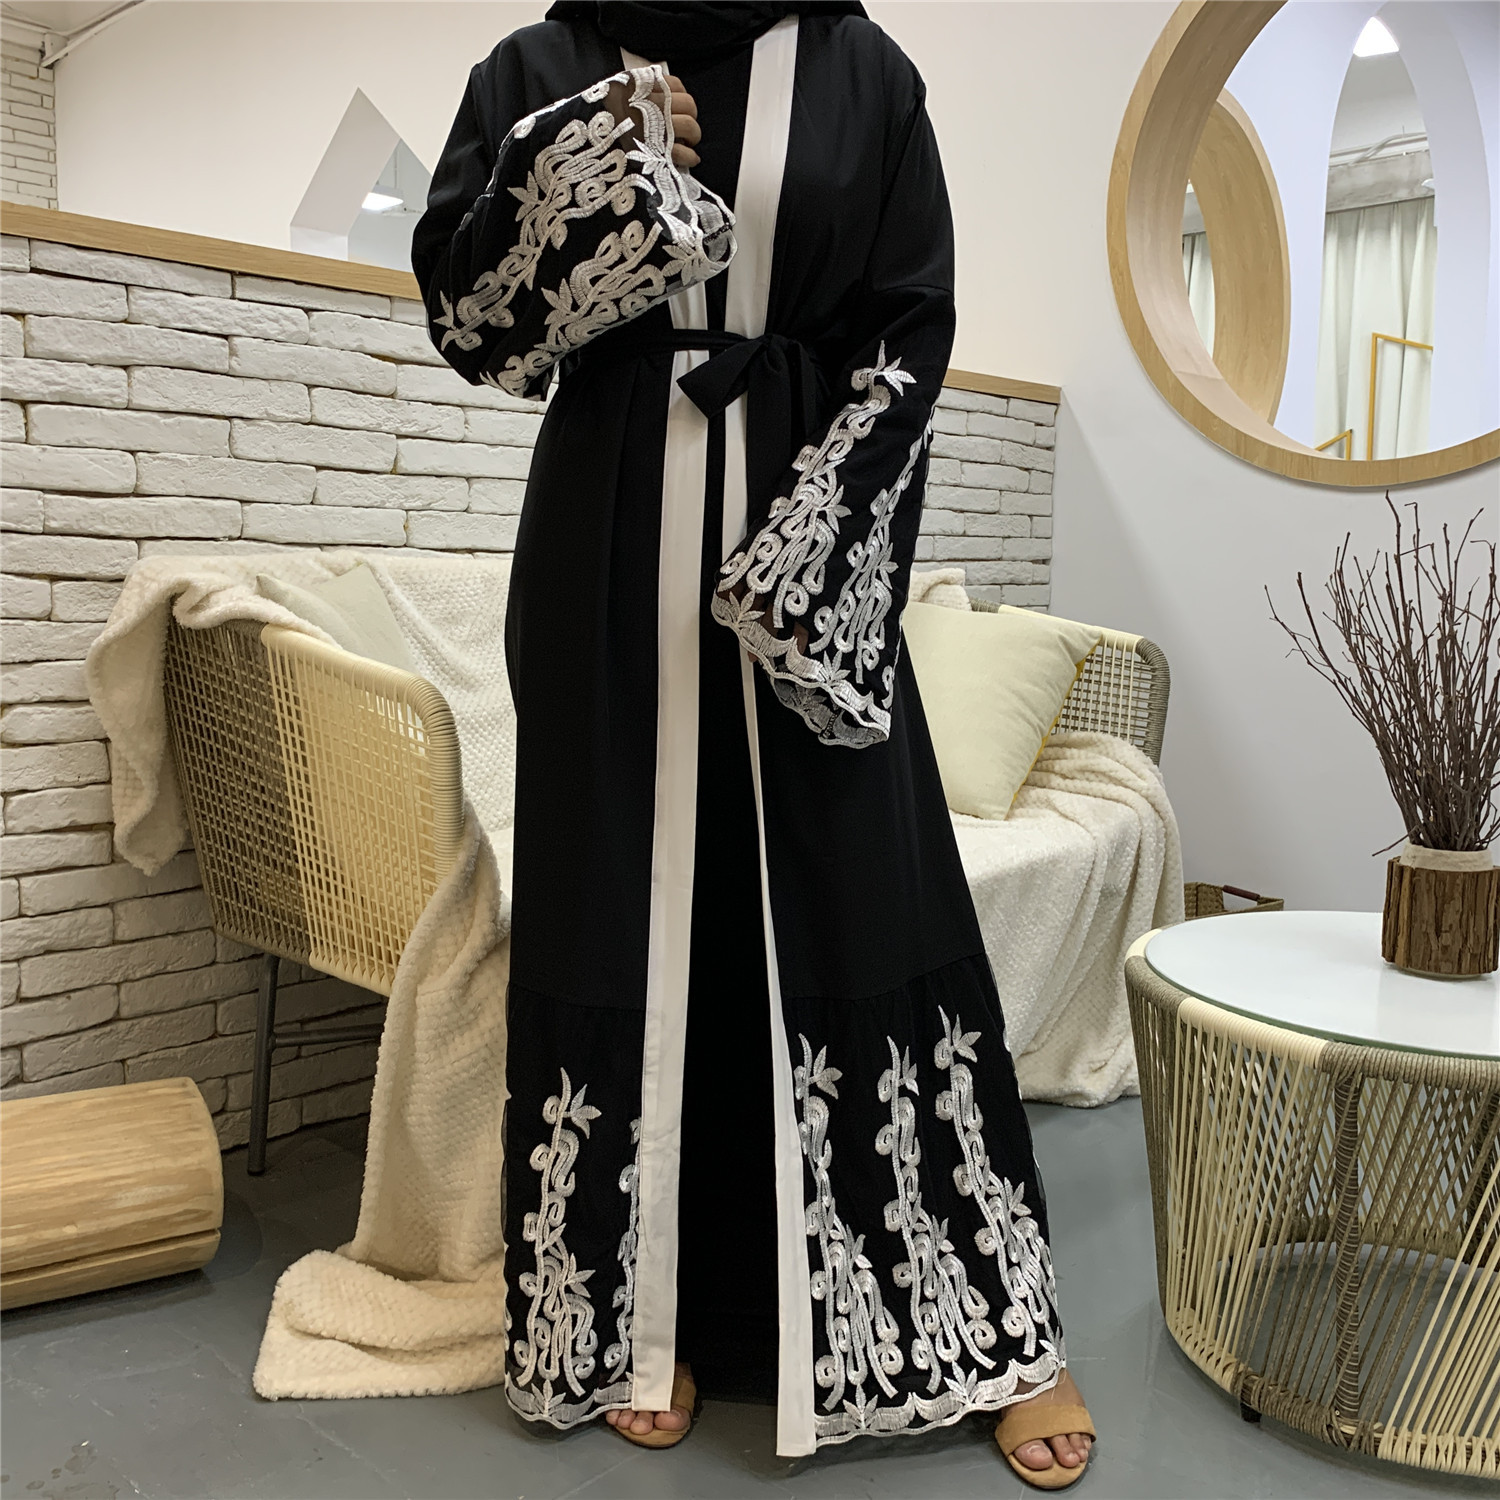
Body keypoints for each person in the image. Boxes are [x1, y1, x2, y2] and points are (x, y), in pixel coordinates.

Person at [413, 1, 1095, 1486]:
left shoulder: (861, 70)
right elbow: (472, 326)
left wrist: (813, 556)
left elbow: (910, 323)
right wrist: (598, 165)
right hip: (604, 551)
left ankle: (972, 1319)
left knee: (864, 886)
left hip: (807, 537)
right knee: (633, 906)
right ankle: (646, 1313)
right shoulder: (540, 66)